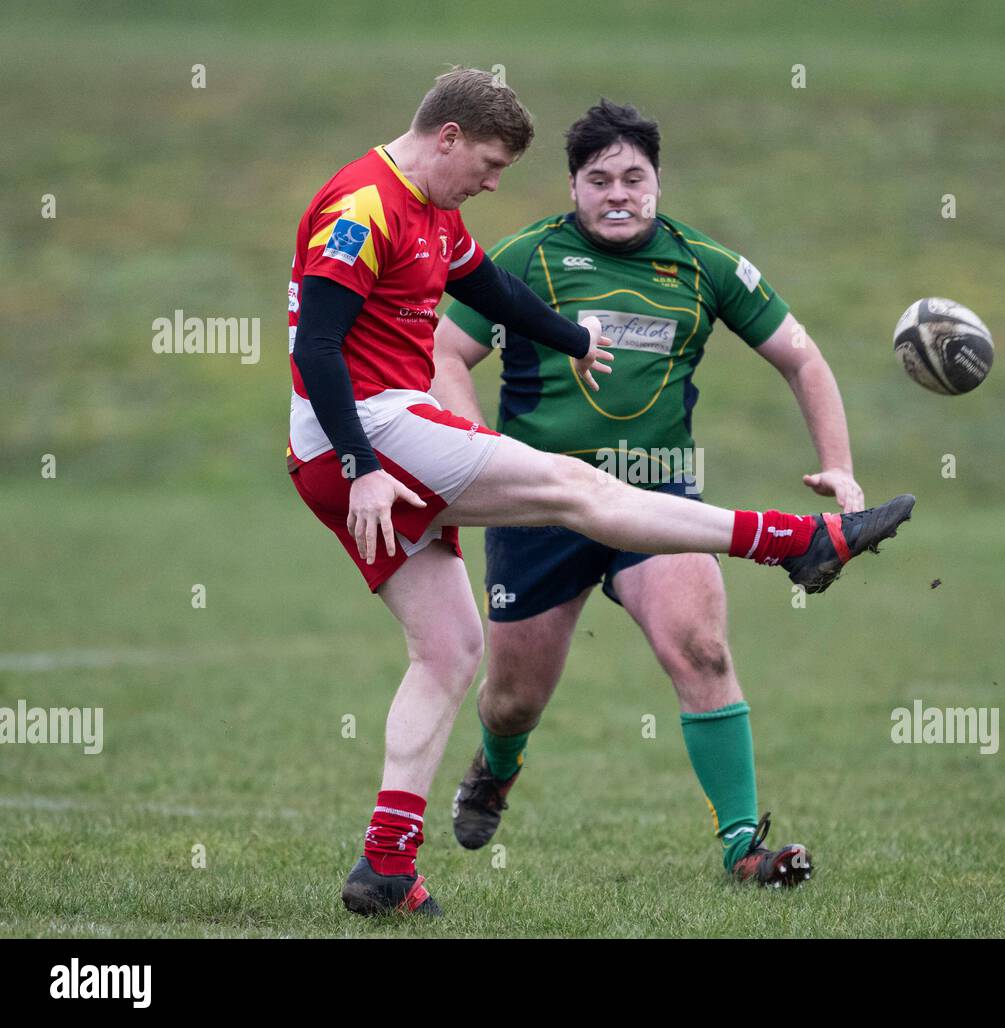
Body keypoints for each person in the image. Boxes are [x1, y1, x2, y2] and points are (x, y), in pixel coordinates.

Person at [288, 71, 915, 916]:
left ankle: (386, 867)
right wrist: (365, 465)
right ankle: (796, 541)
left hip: (368, 441)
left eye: (504, 169)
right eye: (490, 162)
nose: (492, 182)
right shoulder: (365, 208)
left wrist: (573, 336)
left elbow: (489, 292)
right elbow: (319, 346)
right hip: (369, 433)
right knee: (578, 492)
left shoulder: (433, 209)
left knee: (447, 651)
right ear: (446, 138)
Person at [434, 99, 890, 888]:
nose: (618, 193)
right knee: (512, 700)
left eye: (634, 178)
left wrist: (839, 466)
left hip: (656, 502)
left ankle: (744, 846)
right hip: (540, 504)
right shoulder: (526, 257)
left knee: (703, 648)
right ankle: (496, 767)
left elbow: (803, 358)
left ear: (658, 183)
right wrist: (482, 451)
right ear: (573, 186)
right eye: (599, 178)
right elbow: (444, 352)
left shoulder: (704, 265)